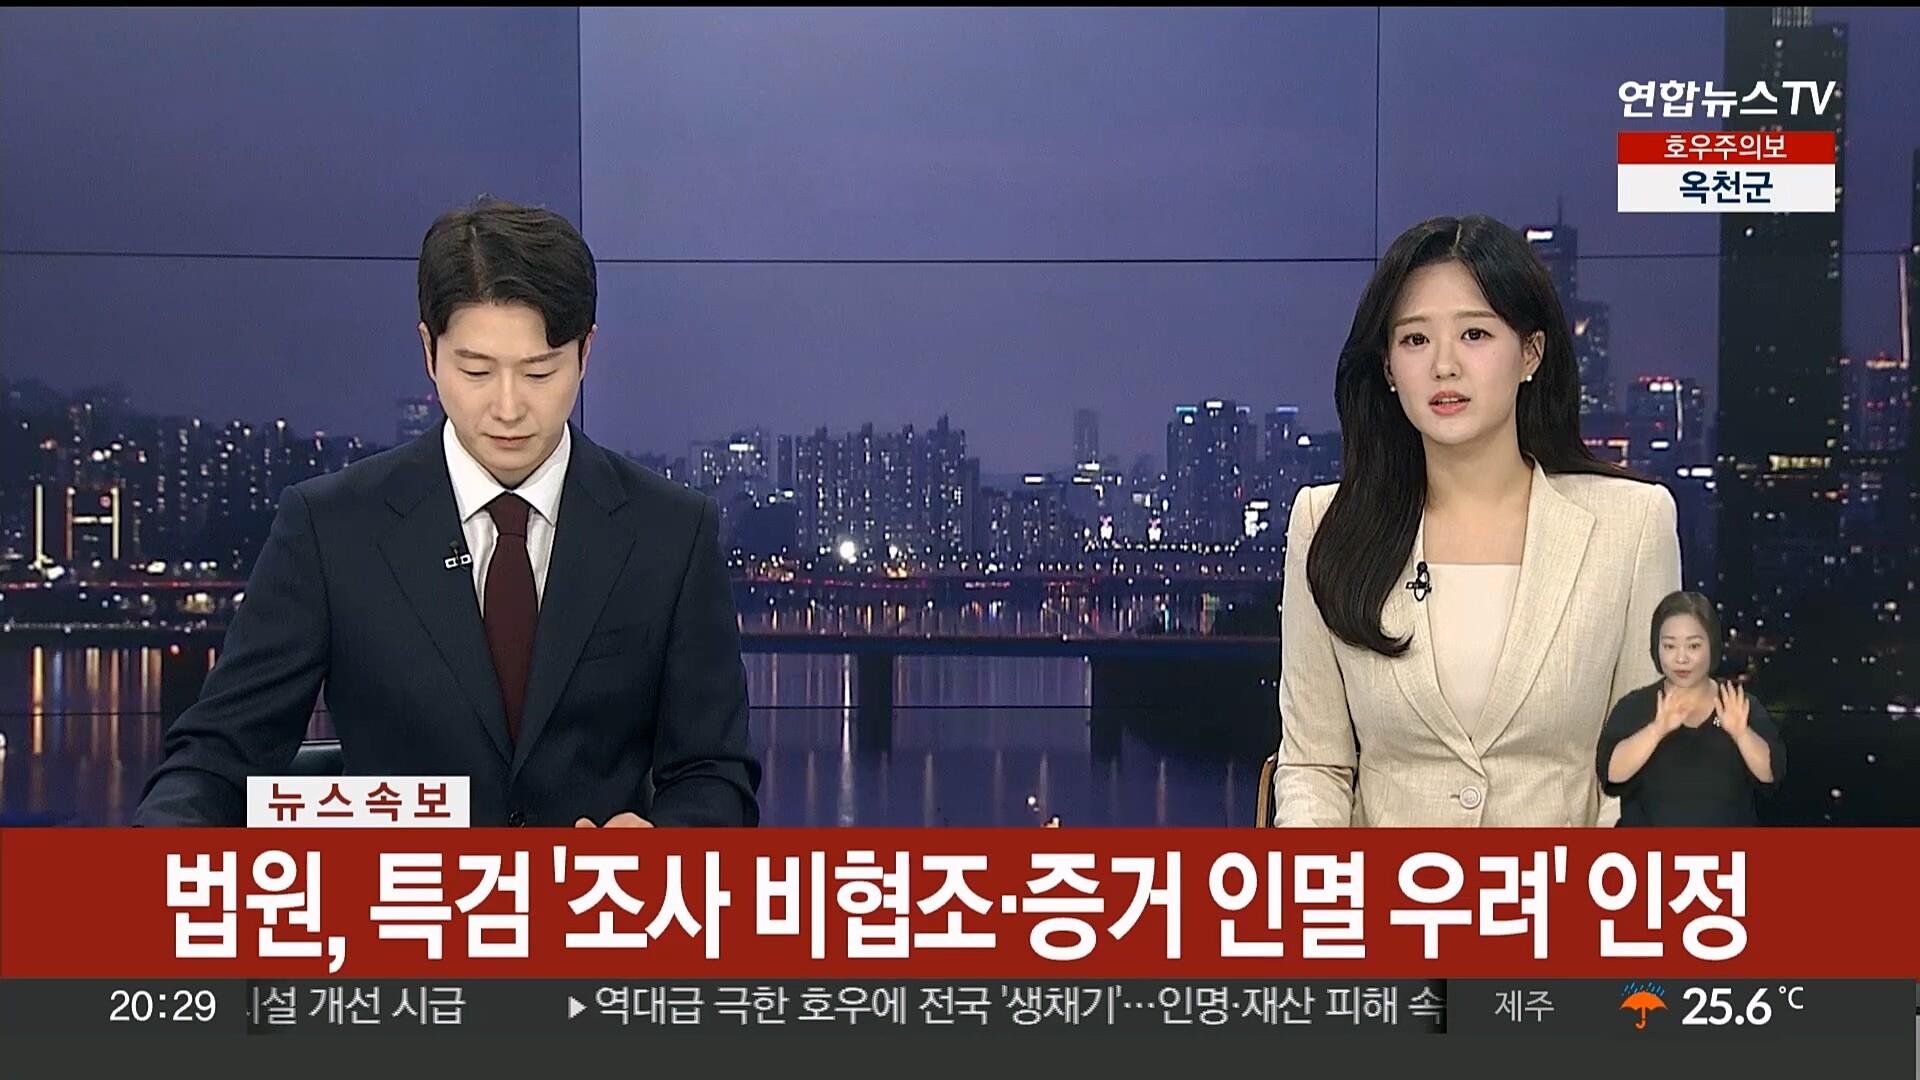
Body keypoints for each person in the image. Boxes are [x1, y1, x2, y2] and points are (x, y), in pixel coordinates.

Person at [134, 197, 761, 828]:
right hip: (402, 890)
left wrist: (663, 850)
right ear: (429, 352)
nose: (508, 408)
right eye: (477, 371)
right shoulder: (330, 530)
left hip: (594, 892)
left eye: (539, 373)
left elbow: (714, 775)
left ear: (585, 353)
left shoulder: (671, 534)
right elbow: (214, 761)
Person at [1269, 213, 1681, 827]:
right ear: (1388, 368)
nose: (1444, 365)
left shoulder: (1633, 525)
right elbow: (1314, 765)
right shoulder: (1326, 522)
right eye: (1415, 340)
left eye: (1475, 334)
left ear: (1530, 353)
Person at [1596, 591, 1784, 826]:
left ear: (1712, 646)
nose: (1681, 658)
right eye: (1669, 646)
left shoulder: (1737, 704)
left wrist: (1741, 734)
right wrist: (1656, 731)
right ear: (1656, 648)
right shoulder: (1635, 706)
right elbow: (1610, 775)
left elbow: (1770, 775)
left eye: (1693, 646)